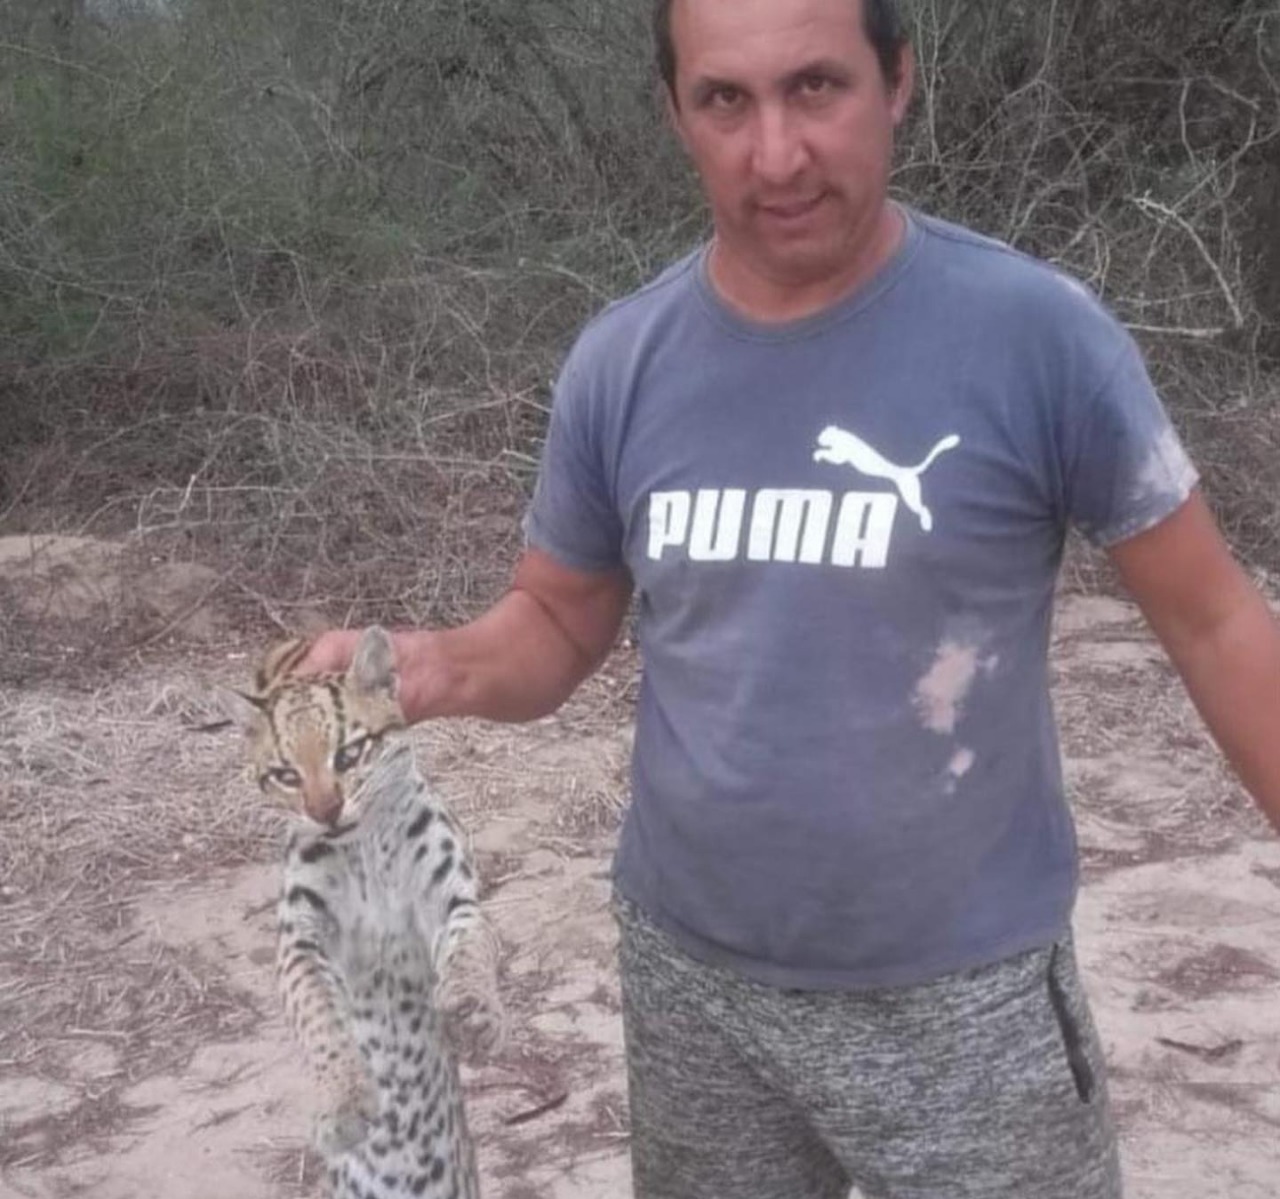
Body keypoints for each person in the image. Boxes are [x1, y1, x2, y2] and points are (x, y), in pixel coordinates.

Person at [302, 1, 1280, 1195]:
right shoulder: (622, 362)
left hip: (966, 1000)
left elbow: (1214, 619)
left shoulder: (1037, 337)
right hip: (695, 985)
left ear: (897, 80)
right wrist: (429, 668)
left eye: (815, 87)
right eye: (725, 100)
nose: (775, 154)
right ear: (674, 113)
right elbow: (555, 621)